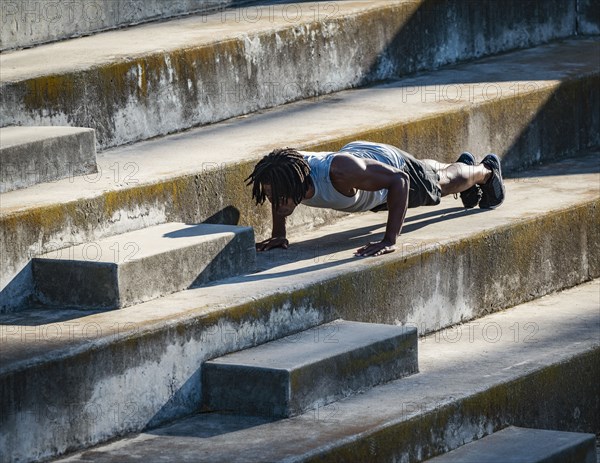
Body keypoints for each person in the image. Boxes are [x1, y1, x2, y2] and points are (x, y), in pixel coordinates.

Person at [246, 140, 505, 257]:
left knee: (440, 185)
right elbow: (277, 194)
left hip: (390, 168)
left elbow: (399, 181)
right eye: (270, 195)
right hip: (369, 176)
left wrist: (389, 240)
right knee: (429, 173)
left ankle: (486, 172)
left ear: (296, 184)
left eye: (278, 197)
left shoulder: (341, 172)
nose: (275, 203)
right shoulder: (283, 174)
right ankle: (464, 166)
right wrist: (279, 233)